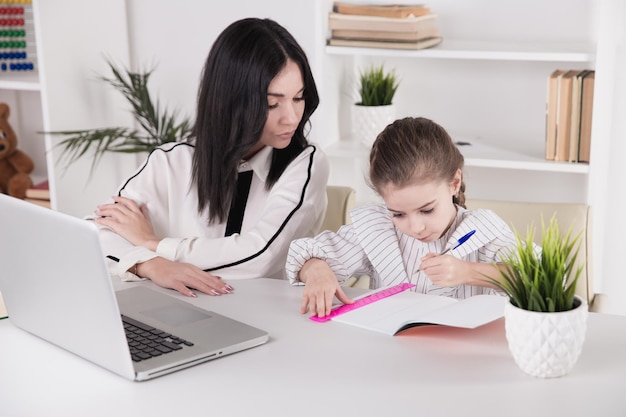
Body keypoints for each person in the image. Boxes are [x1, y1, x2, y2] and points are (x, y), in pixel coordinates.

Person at [94, 18, 329, 298]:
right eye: (272, 104)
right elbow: (97, 235)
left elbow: (260, 255)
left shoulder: (305, 164)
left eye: (299, 98)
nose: (291, 117)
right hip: (182, 315)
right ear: (232, 101)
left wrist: (154, 244)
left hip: (271, 318)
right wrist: (151, 265)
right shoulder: (172, 161)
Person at [286, 116, 519, 318]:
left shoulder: (483, 230)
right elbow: (307, 254)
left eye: (427, 210)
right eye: (398, 213)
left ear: (454, 184)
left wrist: (467, 272)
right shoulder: (378, 227)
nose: (415, 227)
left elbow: (538, 276)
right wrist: (316, 271)